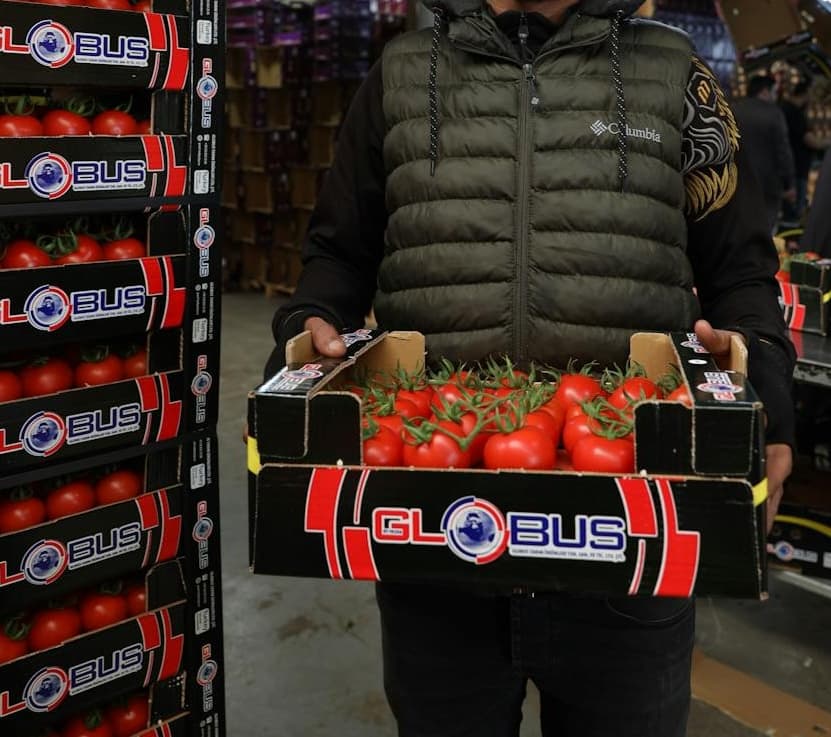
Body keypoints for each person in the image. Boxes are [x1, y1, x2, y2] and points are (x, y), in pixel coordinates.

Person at [267, 1, 795, 735]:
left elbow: (741, 273)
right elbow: (337, 255)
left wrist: (766, 389)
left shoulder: (675, 75)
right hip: (432, 534)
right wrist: (306, 326)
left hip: (631, 538)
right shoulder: (400, 73)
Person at [732, 75, 796, 232]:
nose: (775, 96)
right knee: (763, 230)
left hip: (734, 183)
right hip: (767, 186)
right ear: (765, 91)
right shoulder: (774, 113)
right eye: (774, 91)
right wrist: (788, 184)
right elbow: (783, 152)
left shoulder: (733, 110)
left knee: (737, 228)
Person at [780, 79, 828, 222]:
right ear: (806, 93)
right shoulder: (794, 113)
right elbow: (810, 141)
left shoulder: (785, 108)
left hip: (791, 168)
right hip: (796, 169)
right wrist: (827, 143)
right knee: (794, 213)